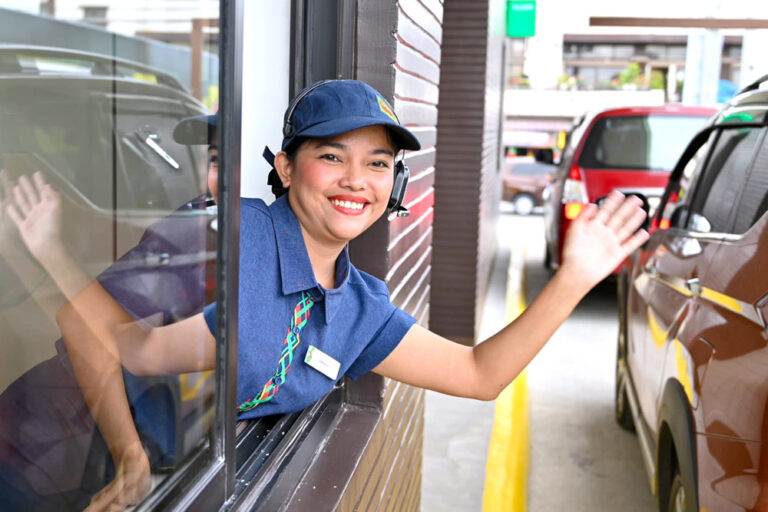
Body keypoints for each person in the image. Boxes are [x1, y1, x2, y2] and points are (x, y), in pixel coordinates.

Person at [4, 79, 649, 511]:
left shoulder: (360, 308)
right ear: (286, 168)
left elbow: (478, 374)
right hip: (38, 448)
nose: (356, 180)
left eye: (377, 163)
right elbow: (106, 337)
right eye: (332, 156)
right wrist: (130, 457)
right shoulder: (227, 232)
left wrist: (573, 279)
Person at [0, 114, 219, 511]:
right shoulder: (200, 224)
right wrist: (26, 249)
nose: (215, 175)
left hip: (56, 448)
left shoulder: (210, 238)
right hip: (48, 439)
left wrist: (130, 457)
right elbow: (84, 321)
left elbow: (97, 332)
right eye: (215, 158)